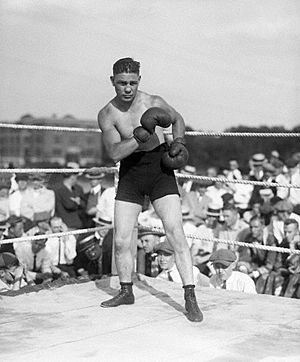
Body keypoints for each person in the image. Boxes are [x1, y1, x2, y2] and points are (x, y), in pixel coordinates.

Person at [95, 57, 203, 322]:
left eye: (132, 82)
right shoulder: (107, 113)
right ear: (113, 82)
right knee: (121, 239)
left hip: (159, 170)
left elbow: (178, 119)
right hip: (131, 173)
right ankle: (125, 290)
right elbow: (114, 153)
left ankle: (190, 296)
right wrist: (140, 135)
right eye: (122, 83)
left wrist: (179, 142)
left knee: (176, 232)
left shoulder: (153, 101)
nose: (128, 88)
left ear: (139, 81)